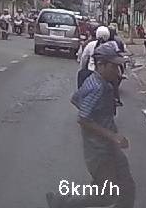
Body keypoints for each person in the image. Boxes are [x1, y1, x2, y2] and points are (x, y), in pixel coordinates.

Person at [47, 42, 134, 208]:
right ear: (101, 65)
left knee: (126, 186)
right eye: (113, 67)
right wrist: (112, 136)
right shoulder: (97, 87)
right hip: (99, 150)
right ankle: (62, 203)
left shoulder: (95, 81)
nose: (117, 72)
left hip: (107, 146)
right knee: (106, 196)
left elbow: (76, 99)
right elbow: (83, 119)